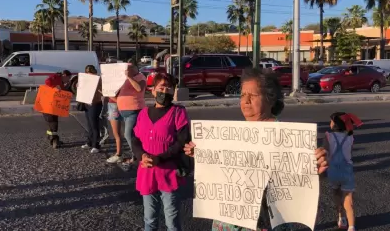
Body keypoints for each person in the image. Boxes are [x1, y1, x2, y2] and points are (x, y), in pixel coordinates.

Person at [183, 68, 330, 231]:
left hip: (265, 224)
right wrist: (201, 154)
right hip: (226, 224)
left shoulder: (291, 138)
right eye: (242, 95)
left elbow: (303, 181)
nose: (245, 101)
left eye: (252, 96)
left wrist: (317, 169)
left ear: (270, 99)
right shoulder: (227, 136)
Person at [132, 73, 189, 231]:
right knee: (149, 219)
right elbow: (135, 139)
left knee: (172, 220)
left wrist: (160, 158)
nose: (165, 91)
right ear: (153, 90)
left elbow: (182, 141)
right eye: (161, 87)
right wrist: (141, 155)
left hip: (169, 173)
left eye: (169, 88)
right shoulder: (143, 114)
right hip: (147, 172)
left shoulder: (178, 112)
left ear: (173, 91)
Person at [324, 112, 362, 231]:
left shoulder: (328, 136)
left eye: (331, 121)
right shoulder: (350, 137)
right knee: (348, 200)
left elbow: (325, 152)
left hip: (333, 170)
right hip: (346, 171)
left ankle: (341, 217)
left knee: (336, 193)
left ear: (335, 123)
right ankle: (351, 227)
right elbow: (349, 153)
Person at [116, 62, 147, 170]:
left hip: (135, 109)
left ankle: (138, 156)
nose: (126, 70)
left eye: (129, 68)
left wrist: (128, 76)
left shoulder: (140, 77)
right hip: (124, 110)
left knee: (128, 134)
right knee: (133, 135)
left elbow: (139, 88)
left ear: (135, 68)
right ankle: (137, 155)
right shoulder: (125, 78)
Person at [43, 70, 72, 148]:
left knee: (51, 123)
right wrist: (54, 87)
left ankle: (51, 138)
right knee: (53, 123)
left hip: (54, 106)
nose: (68, 80)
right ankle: (54, 141)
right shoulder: (56, 77)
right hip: (48, 105)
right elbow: (47, 81)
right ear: (65, 75)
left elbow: (62, 93)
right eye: (68, 78)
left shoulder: (62, 82)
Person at [81, 65, 103, 154]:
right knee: (89, 125)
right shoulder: (85, 79)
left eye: (90, 73)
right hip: (87, 103)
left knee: (94, 125)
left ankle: (96, 145)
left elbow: (102, 90)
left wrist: (97, 87)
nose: (88, 75)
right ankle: (89, 142)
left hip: (95, 104)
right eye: (87, 73)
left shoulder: (98, 79)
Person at [105, 95, 123, 163]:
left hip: (114, 106)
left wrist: (107, 94)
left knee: (116, 133)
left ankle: (119, 154)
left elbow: (118, 100)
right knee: (117, 133)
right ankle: (119, 153)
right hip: (113, 106)